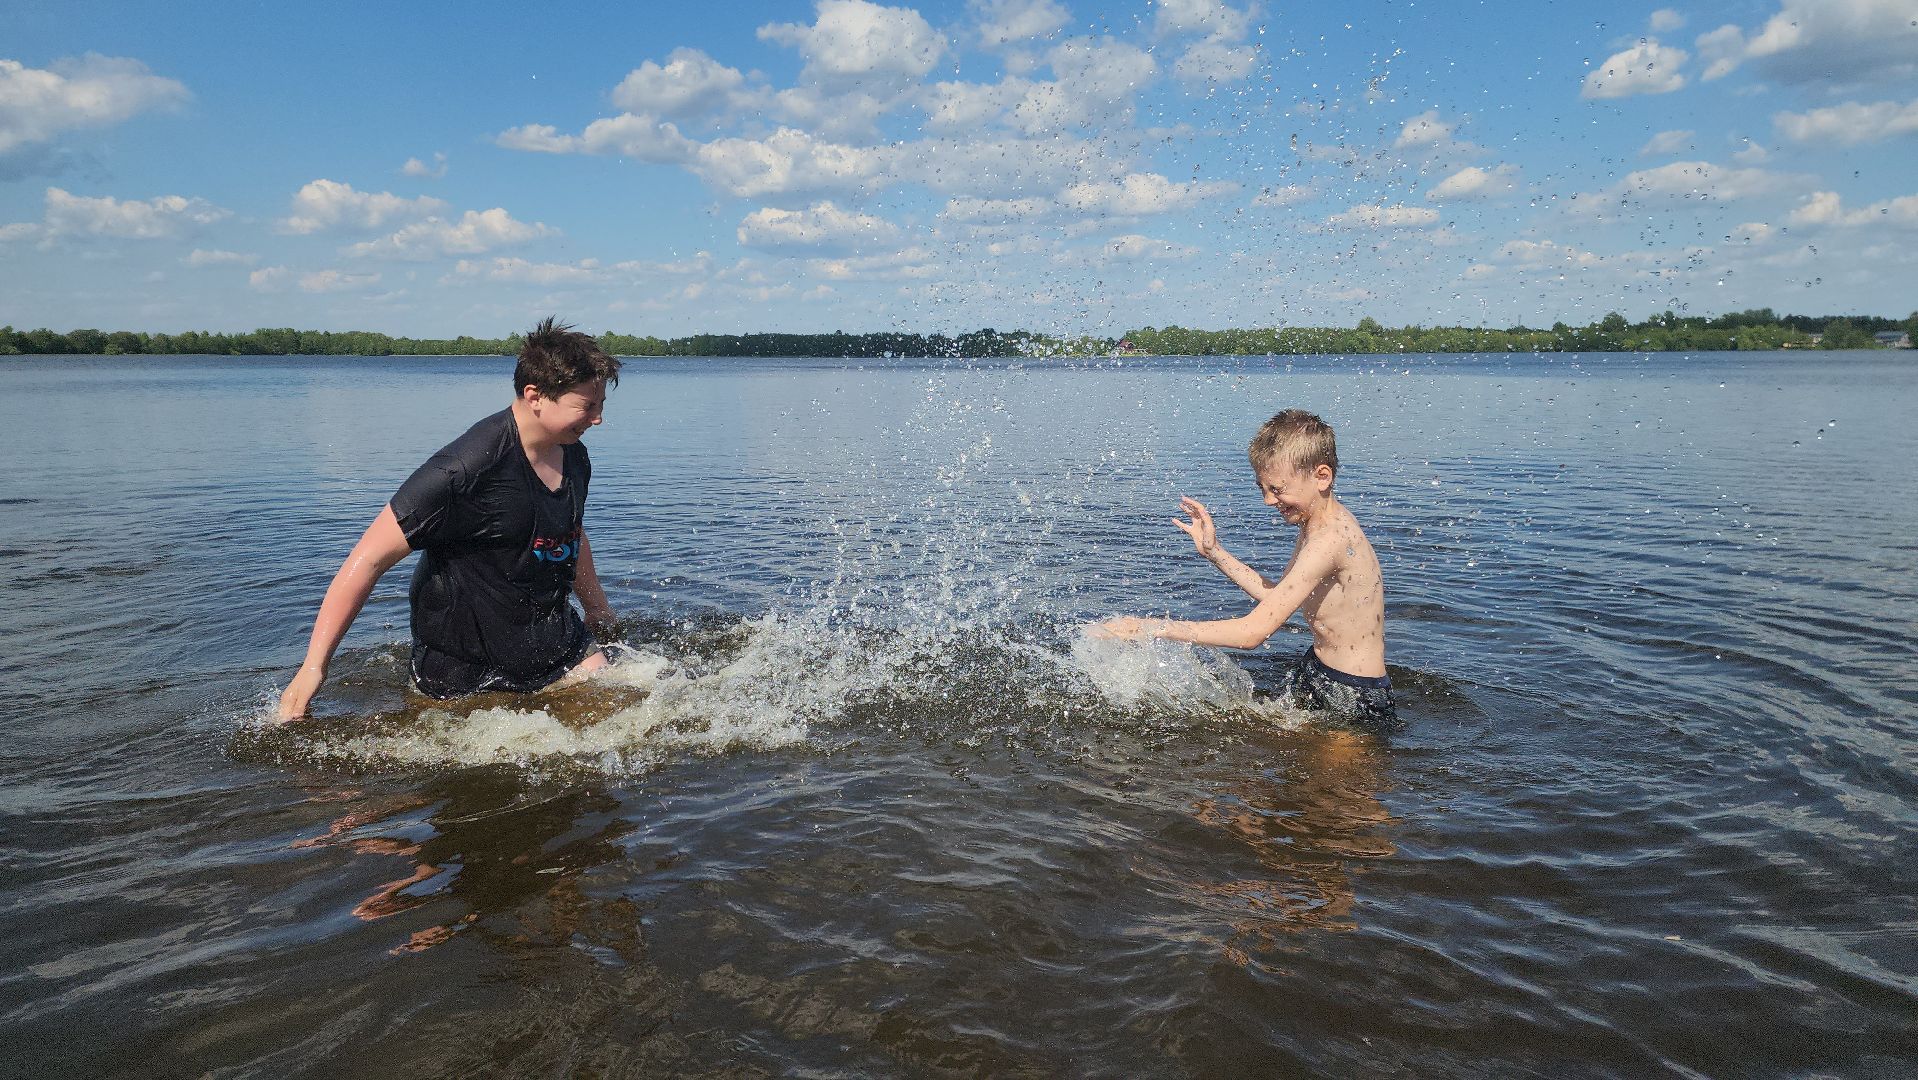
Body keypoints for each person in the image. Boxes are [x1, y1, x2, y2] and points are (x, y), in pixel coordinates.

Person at [277, 317, 621, 721]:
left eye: (601, 404)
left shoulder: (574, 454)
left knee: (619, 704)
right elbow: (368, 559)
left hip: (550, 639)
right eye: (586, 406)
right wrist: (314, 667)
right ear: (536, 396)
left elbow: (569, 531)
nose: (597, 418)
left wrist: (597, 607)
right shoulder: (463, 469)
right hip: (462, 661)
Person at [1097, 409, 1396, 732]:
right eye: (1262, 488)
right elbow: (1277, 598)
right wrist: (1215, 553)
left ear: (1321, 477)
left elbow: (1252, 633)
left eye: (1277, 489)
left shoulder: (1331, 539)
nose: (1268, 500)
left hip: (1354, 692)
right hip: (1318, 669)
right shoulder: (1316, 524)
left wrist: (1150, 627)